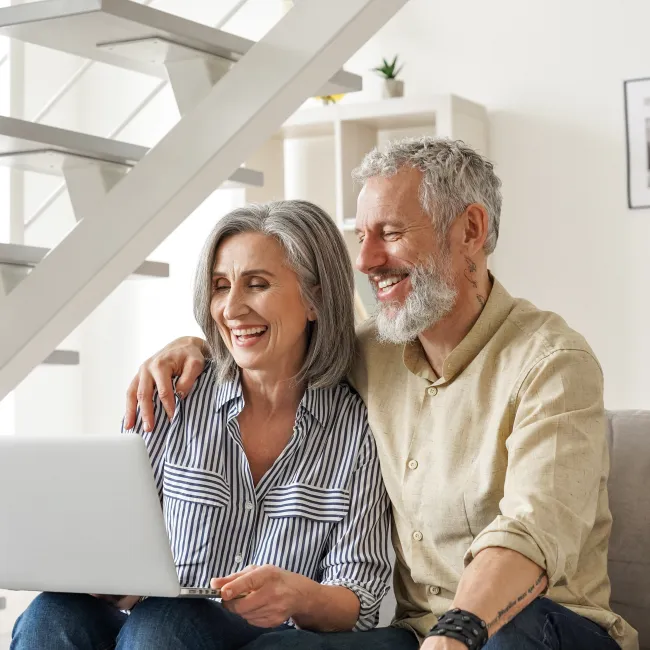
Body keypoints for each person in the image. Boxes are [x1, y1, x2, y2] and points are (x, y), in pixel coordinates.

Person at [124, 137, 638, 650]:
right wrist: (193, 347)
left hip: (542, 626)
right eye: (362, 236)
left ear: (470, 231)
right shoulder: (372, 352)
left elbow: (531, 533)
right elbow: (277, 344)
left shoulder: (552, 363)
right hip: (418, 633)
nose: (366, 260)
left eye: (390, 234)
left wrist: (457, 632)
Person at [11, 200, 404, 650]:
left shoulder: (356, 430)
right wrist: (102, 577)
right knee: (51, 614)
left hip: (252, 639)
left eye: (257, 284)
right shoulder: (169, 396)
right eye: (220, 286)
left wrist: (297, 594)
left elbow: (359, 600)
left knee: (166, 623)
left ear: (315, 300)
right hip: (149, 629)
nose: (232, 308)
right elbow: (115, 555)